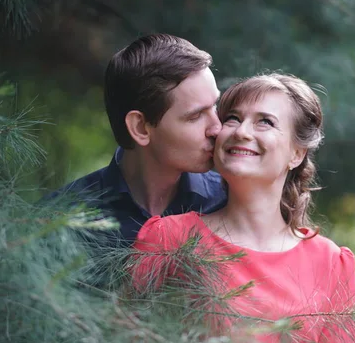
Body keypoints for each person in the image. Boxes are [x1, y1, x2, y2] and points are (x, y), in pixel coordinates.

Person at [132, 73, 355, 343]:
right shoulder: (168, 239)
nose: (241, 132)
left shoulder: (331, 263)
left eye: (265, 121)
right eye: (233, 119)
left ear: (296, 153)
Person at [48, 34, 227, 248]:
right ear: (140, 127)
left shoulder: (229, 202)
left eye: (214, 105)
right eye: (195, 116)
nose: (217, 128)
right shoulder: (58, 223)